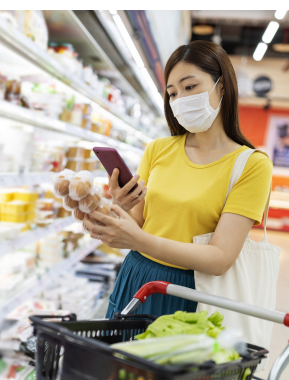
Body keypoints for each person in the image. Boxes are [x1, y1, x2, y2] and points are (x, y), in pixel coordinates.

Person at [84, 41, 272, 318]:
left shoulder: (252, 165)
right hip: (134, 276)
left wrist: (139, 240)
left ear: (222, 86)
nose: (180, 100)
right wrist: (119, 207)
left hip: (188, 292)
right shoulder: (158, 149)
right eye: (172, 93)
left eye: (190, 87)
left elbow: (220, 258)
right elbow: (137, 226)